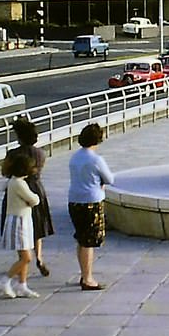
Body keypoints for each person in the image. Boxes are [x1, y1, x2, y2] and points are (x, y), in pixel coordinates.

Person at [1, 119, 54, 277]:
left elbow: (5, 173)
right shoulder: (40, 153)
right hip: (36, 188)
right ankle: (38, 257)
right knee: (37, 227)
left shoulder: (13, 154)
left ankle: (22, 260)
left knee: (21, 229)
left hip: (17, 191)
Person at [68, 123, 114, 291]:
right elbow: (110, 179)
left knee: (81, 239)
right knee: (89, 241)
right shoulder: (96, 159)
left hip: (74, 200)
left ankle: (83, 273)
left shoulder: (74, 157)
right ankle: (87, 278)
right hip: (91, 201)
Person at [0, 151, 41, 299]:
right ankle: (6, 280)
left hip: (23, 220)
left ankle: (22, 285)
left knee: (23, 254)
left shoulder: (14, 181)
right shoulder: (19, 184)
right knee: (26, 257)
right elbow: (34, 200)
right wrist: (34, 198)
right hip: (19, 222)